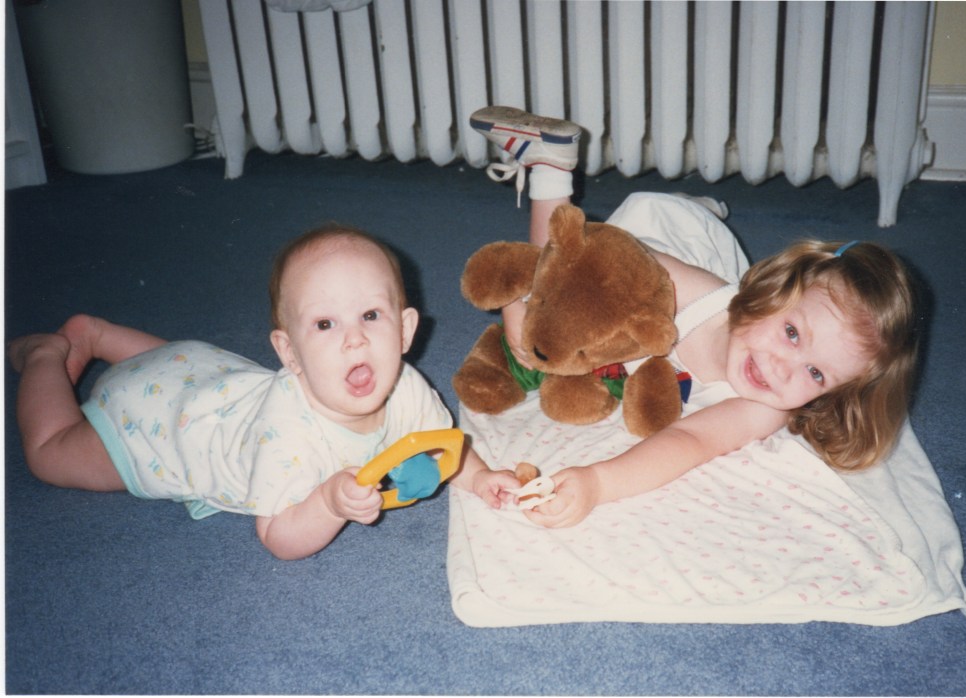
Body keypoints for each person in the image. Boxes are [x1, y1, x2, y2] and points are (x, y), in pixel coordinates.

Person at [468, 105, 920, 528]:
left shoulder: (765, 409)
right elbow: (571, 257)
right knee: (574, 296)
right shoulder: (696, 297)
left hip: (677, 282)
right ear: (772, 291)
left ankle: (701, 211)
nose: (782, 368)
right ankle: (550, 164)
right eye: (791, 333)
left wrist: (598, 483)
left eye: (817, 373)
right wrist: (520, 303)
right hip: (640, 252)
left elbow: (691, 441)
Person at [8, 225, 517, 560]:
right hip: (155, 426)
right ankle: (45, 356)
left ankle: (98, 333)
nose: (354, 338)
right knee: (50, 454)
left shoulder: (405, 385)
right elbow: (279, 537)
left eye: (370, 315)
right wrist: (328, 504)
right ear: (289, 352)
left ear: (405, 330)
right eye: (324, 323)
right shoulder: (287, 434)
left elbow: (441, 446)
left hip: (195, 371)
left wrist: (480, 477)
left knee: (186, 368)